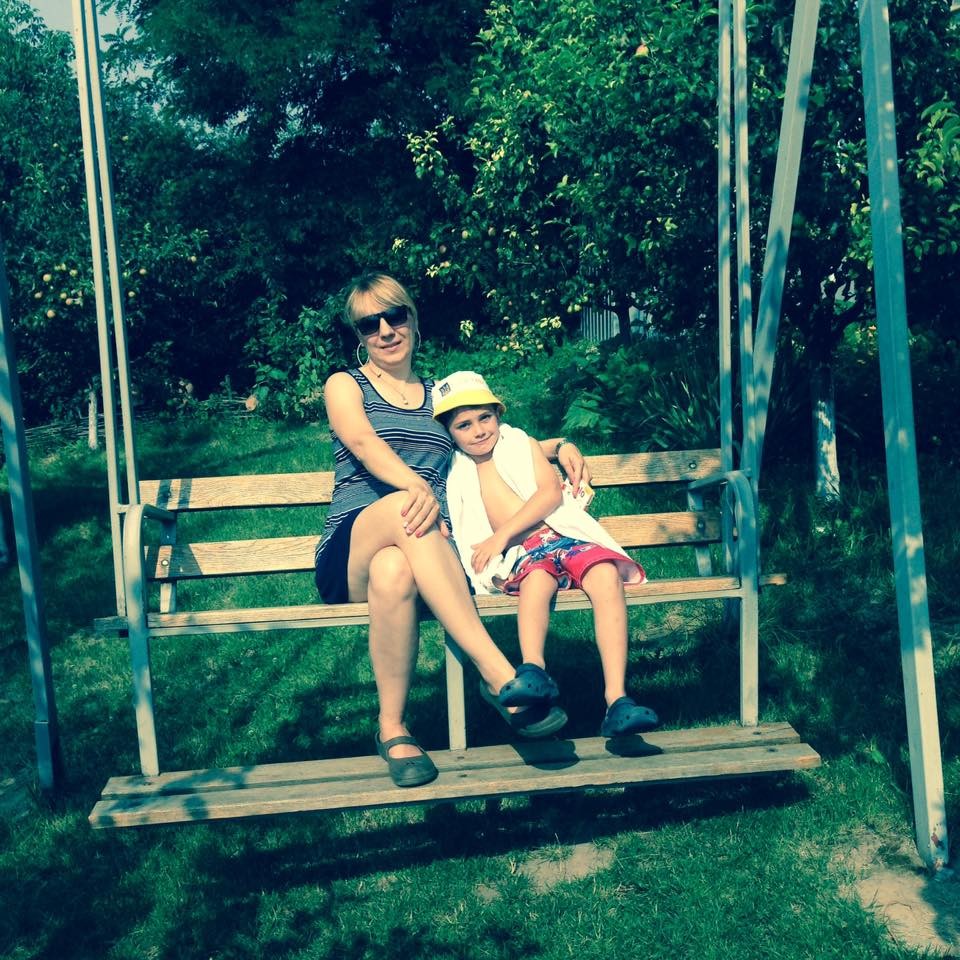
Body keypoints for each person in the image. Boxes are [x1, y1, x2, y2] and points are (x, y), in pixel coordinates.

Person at [314, 273, 590, 787]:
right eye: (370, 324)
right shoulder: (344, 385)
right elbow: (365, 444)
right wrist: (416, 487)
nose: (385, 330)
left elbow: (485, 439)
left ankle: (392, 729)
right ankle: (499, 676)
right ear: (359, 335)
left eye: (394, 316)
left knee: (395, 569)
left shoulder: (437, 396)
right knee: (405, 511)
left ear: (412, 319)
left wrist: (557, 446)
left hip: (425, 556)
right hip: (352, 549)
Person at [433, 370, 660, 738]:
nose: (478, 430)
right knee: (536, 582)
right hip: (524, 553)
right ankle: (533, 671)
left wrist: (499, 536)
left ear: (498, 414)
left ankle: (617, 699)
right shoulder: (456, 469)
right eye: (464, 425)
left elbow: (550, 494)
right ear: (450, 432)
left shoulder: (519, 444)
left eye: (485, 417)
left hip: (562, 536)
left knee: (604, 574)